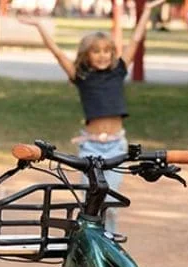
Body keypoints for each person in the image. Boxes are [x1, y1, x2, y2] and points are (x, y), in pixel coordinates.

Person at [18, 0, 165, 233]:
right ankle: (85, 243)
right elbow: (56, 51)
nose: (102, 56)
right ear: (86, 56)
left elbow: (135, 40)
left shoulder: (118, 71)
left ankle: (110, 243)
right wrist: (39, 26)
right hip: (90, 149)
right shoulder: (81, 76)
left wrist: (146, 10)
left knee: (111, 204)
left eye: (107, 51)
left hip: (116, 146)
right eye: (96, 52)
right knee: (90, 202)